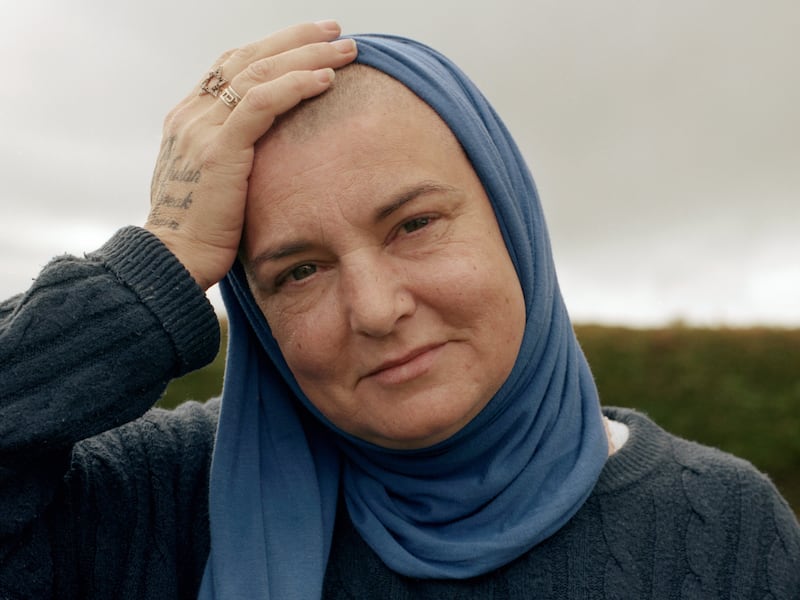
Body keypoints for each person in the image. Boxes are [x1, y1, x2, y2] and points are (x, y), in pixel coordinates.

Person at [1, 20, 798, 600]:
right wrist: (155, 267)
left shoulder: (719, 527)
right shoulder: (164, 497)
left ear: (513, 222)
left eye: (413, 225)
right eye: (299, 270)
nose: (376, 310)